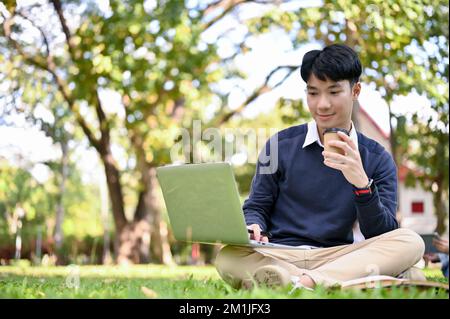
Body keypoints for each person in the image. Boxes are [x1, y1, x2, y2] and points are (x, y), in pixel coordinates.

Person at [214, 44, 426, 290]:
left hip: (340, 255)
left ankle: (295, 282)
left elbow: (382, 235)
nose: (322, 104)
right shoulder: (280, 145)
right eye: (313, 93)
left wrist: (361, 184)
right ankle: (342, 281)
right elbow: (257, 206)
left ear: (355, 91)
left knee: (410, 241)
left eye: (334, 92)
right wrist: (253, 225)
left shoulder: (377, 158)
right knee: (228, 256)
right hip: (281, 253)